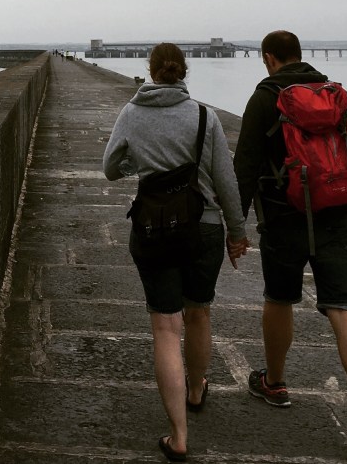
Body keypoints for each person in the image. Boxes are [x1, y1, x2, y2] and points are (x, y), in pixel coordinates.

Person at [234, 30, 347, 459]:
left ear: (269, 58)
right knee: (342, 306)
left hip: (284, 218)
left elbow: (244, 166)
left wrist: (235, 227)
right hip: (338, 215)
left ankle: (276, 382)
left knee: (279, 298)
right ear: (301, 57)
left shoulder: (265, 97)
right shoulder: (337, 95)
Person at [103, 42, 249, 463]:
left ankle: (178, 435)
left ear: (150, 71)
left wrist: (141, 165)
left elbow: (111, 168)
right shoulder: (204, 115)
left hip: (154, 230)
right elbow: (226, 181)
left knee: (166, 328)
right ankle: (198, 388)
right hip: (203, 229)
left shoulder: (132, 113)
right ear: (184, 71)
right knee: (199, 311)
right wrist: (237, 234)